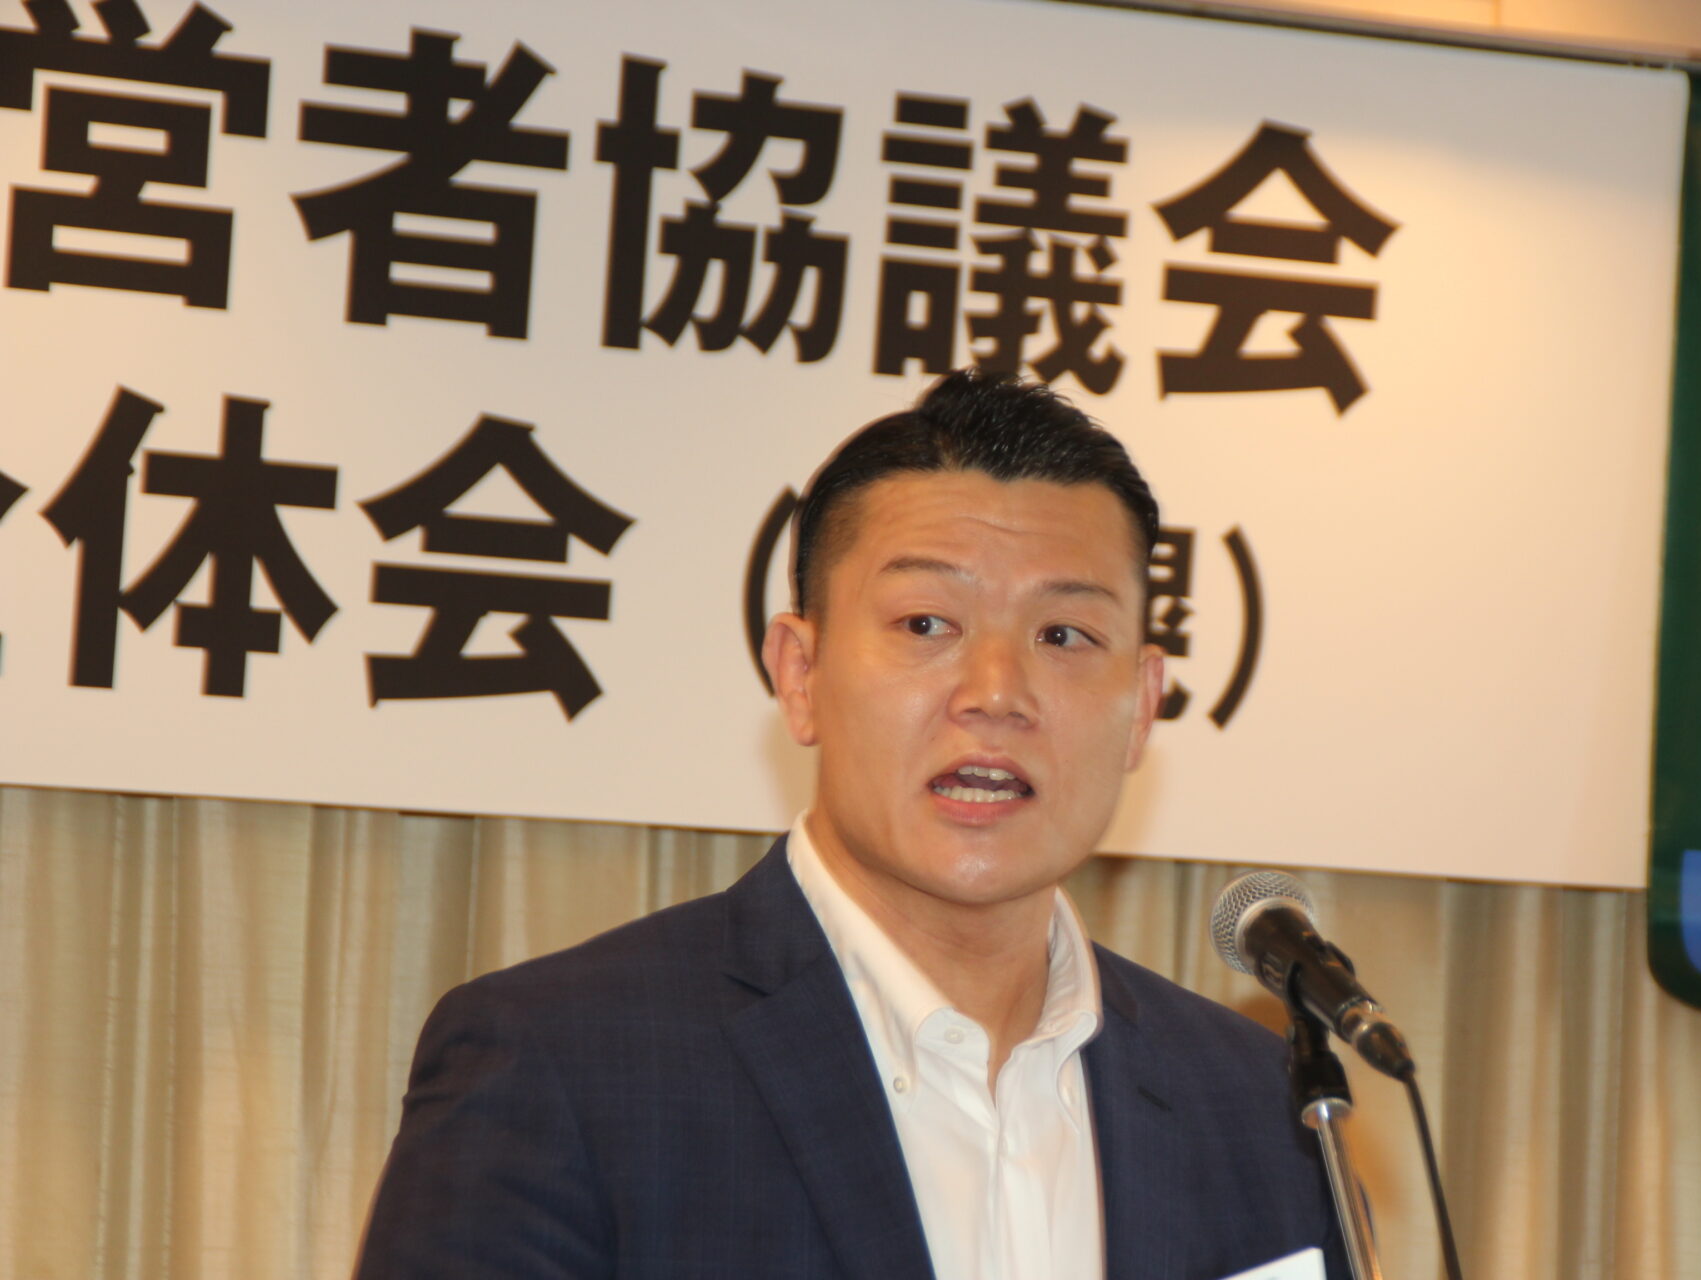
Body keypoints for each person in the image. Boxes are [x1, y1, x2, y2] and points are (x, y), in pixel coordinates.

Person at [353, 369, 1350, 1280]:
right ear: (800, 675)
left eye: (1064, 634)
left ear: (1141, 706)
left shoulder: (1263, 1107)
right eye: (926, 624)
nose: (995, 692)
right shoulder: (566, 1063)